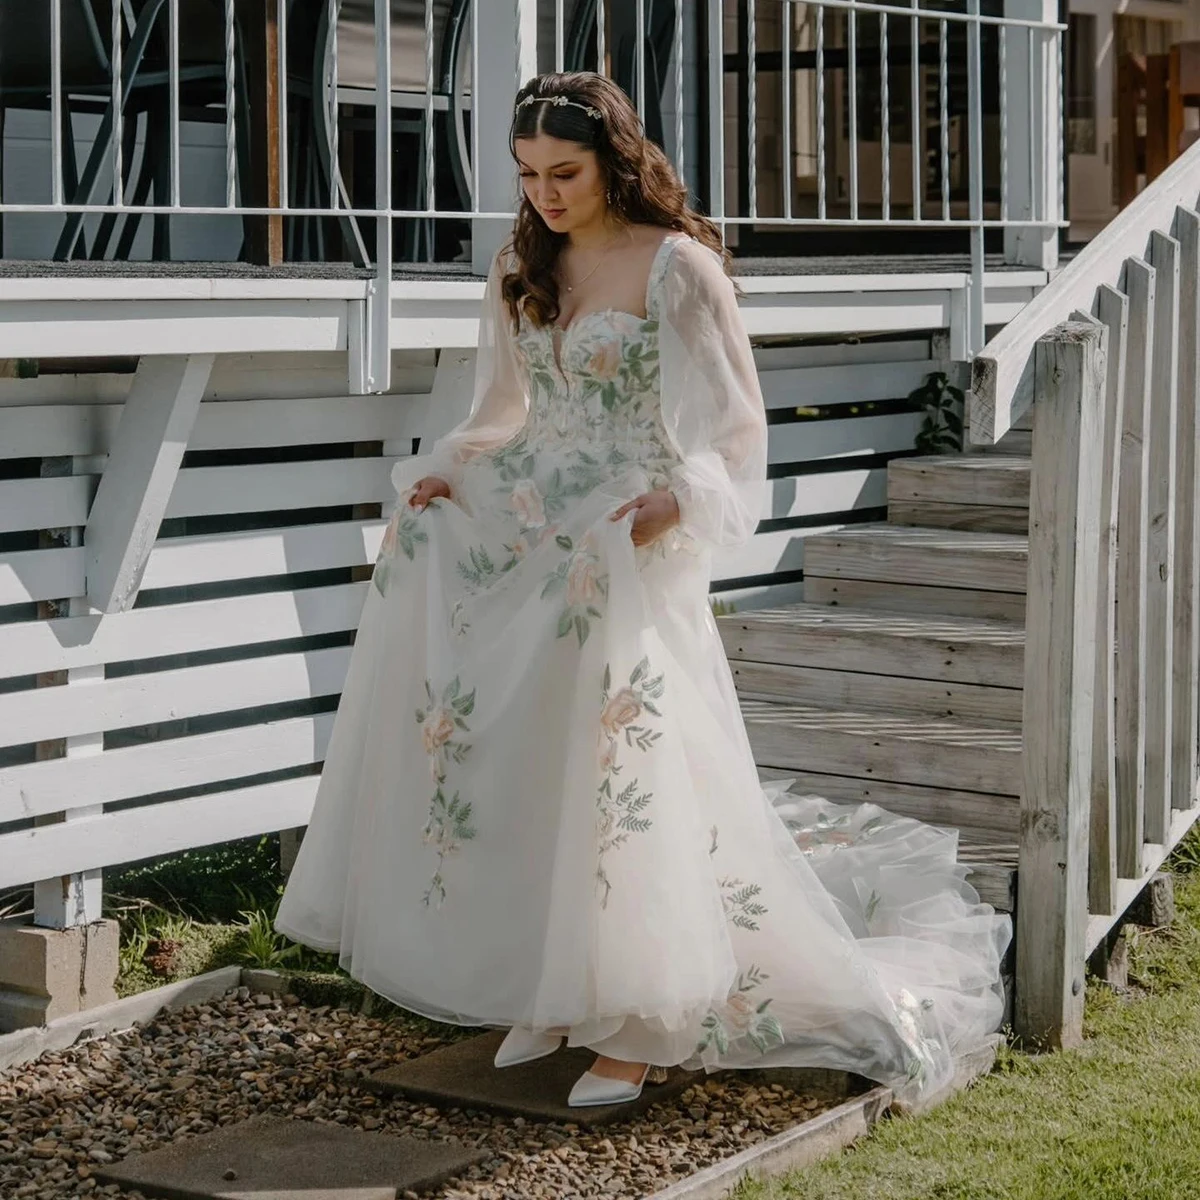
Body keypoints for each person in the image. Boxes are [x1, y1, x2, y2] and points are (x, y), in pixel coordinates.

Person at [274, 70, 1011, 1111]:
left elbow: (739, 426)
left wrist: (675, 505)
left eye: (563, 173)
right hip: (530, 539)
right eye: (527, 175)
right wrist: (446, 469)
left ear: (614, 160)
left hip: (624, 546)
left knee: (621, 772)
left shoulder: (680, 268)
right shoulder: (521, 266)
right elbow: (502, 414)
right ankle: (562, 983)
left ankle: (645, 1018)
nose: (544, 195)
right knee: (531, 767)